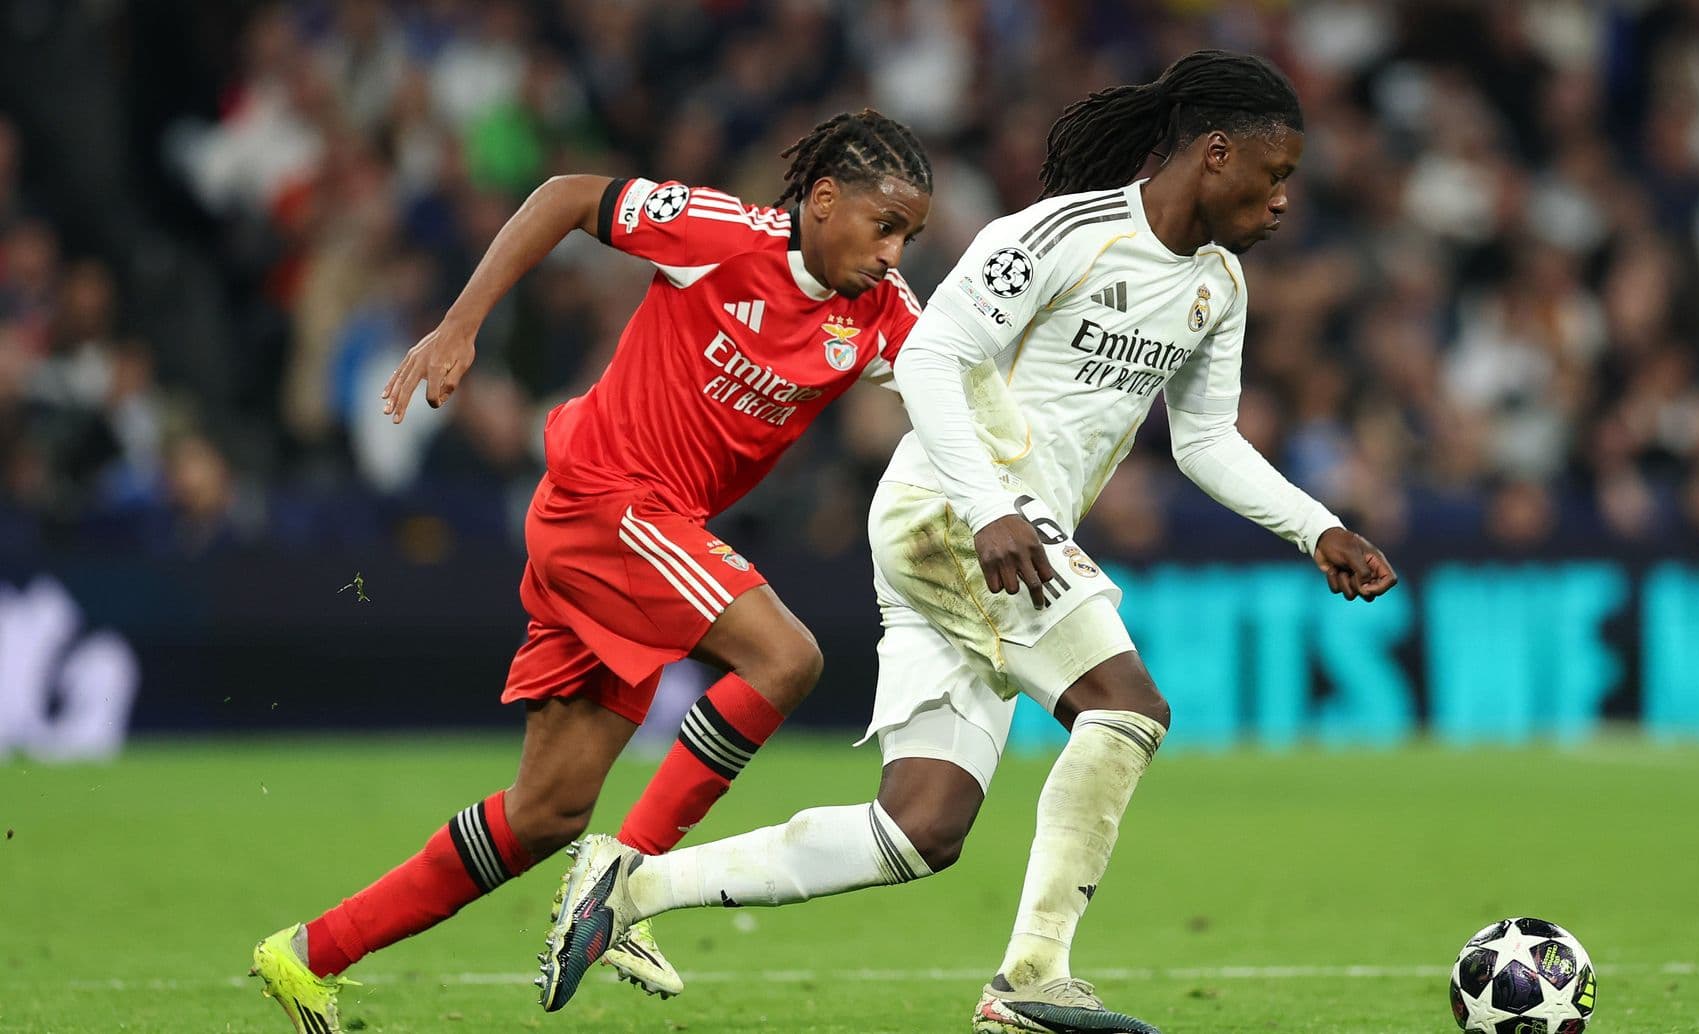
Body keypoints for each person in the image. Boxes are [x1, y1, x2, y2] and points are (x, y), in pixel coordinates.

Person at [537, 51, 1397, 1034]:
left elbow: (1203, 440)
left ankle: (631, 885)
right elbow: (936, 357)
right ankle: (1034, 971)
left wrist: (1316, 525)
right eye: (1274, 172)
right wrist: (988, 503)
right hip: (956, 513)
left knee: (919, 828)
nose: (1284, 198)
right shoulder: (1059, 234)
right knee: (1127, 705)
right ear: (1214, 154)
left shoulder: (1216, 288)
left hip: (1000, 537)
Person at [248, 109, 933, 1034]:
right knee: (787, 657)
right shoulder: (721, 235)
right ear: (821, 200)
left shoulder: (884, 316)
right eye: (884, 226)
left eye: (910, 236)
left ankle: (306, 955)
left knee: (546, 812)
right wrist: (460, 326)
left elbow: (963, 394)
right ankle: (628, 879)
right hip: (606, 504)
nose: (895, 252)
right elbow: (568, 197)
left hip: (645, 531)